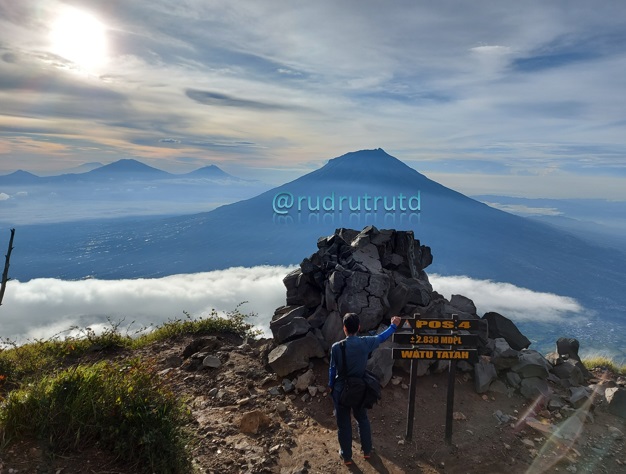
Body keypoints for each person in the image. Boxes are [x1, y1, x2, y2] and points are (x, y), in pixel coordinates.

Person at [328, 312, 402, 465]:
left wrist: (331, 386)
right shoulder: (366, 342)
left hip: (341, 390)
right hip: (360, 388)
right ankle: (367, 451)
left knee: (344, 423)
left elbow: (332, 370)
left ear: (344, 328)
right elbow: (382, 337)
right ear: (359, 327)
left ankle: (347, 456)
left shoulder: (336, 347)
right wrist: (393, 325)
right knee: (362, 418)